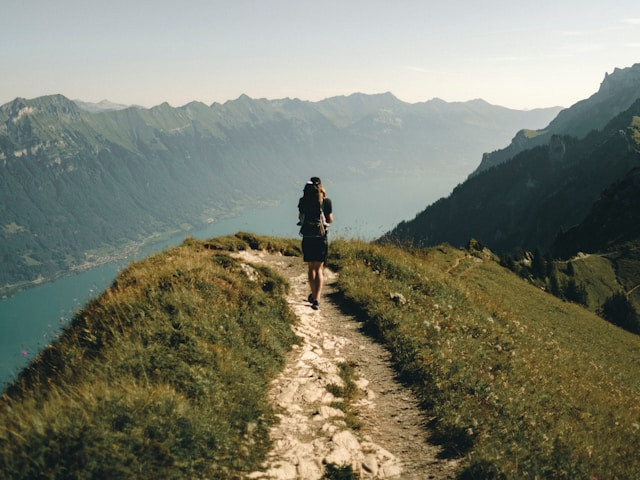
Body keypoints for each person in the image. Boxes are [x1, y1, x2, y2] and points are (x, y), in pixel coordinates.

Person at [298, 177, 333, 310]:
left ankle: (313, 295)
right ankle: (317, 299)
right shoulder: (326, 201)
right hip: (321, 238)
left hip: (307, 237)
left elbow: (300, 217)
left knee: (311, 268)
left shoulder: (303, 201)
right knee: (319, 269)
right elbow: (329, 219)